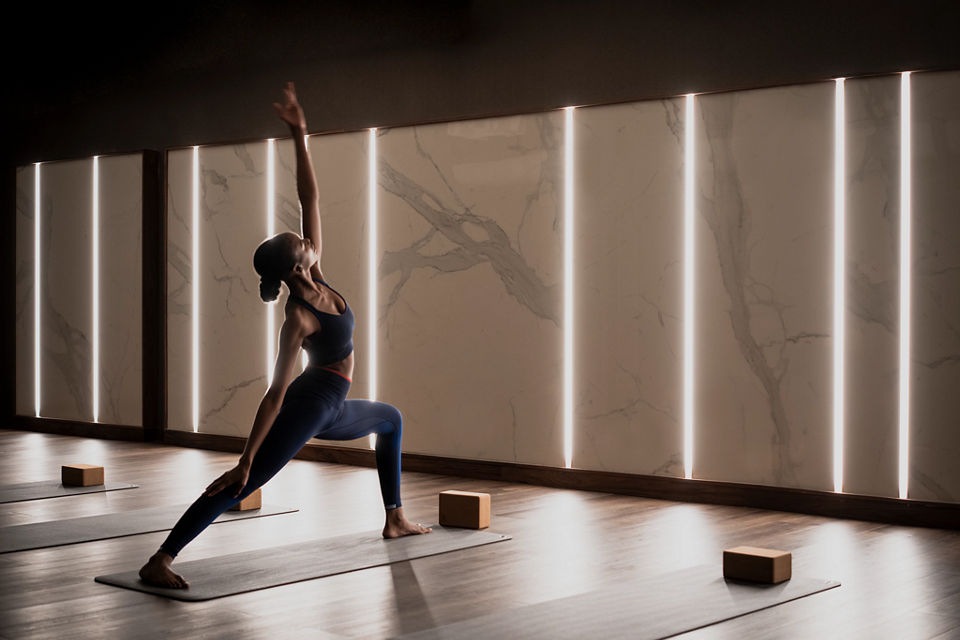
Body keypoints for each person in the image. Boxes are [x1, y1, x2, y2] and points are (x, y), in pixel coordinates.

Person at [139, 81, 431, 589]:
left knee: (391, 420)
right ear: (298, 265)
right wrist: (244, 456)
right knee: (245, 481)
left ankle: (394, 519)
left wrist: (299, 131)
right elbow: (276, 391)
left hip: (334, 402)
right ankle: (161, 558)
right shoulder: (298, 317)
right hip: (309, 405)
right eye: (304, 242)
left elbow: (309, 195)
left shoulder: (316, 276)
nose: (311, 240)